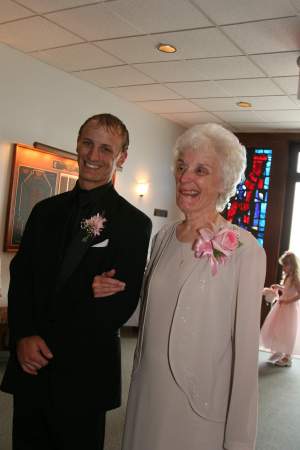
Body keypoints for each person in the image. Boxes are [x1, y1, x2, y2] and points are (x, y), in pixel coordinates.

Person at [1, 113, 152, 450]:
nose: (93, 155)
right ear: (77, 144)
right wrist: (24, 336)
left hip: (83, 371)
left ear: (122, 158)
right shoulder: (44, 211)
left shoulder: (133, 223)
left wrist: (53, 329)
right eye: (87, 143)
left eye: (105, 149)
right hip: (30, 365)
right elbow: (22, 278)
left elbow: (118, 306)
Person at [121, 123, 266, 450]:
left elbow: (245, 355)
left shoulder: (245, 250)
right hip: (149, 394)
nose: (186, 177)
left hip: (198, 406)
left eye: (201, 170)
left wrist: (240, 440)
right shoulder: (163, 238)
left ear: (224, 182)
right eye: (182, 167)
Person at [261, 251, 300, 367]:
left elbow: (298, 294)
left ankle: (288, 357)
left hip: (289, 308)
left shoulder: (296, 279)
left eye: (285, 266)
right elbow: (287, 289)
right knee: (278, 328)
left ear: (291, 265)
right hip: (282, 306)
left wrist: (287, 301)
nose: (283, 268)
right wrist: (279, 287)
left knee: (288, 331)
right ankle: (280, 350)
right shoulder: (288, 277)